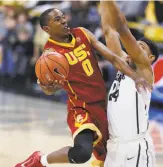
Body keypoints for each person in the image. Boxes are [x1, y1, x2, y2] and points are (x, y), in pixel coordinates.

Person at [15, 8, 151, 167]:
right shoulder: (50, 54)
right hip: (80, 107)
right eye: (57, 20)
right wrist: (53, 87)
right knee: (82, 153)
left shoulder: (82, 33)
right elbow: (47, 89)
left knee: (107, 157)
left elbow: (113, 58)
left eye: (63, 17)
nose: (64, 21)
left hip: (102, 105)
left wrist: (136, 77)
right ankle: (40, 160)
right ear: (47, 29)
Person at [99, 1, 159, 167]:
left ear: (150, 58)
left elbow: (122, 30)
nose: (133, 51)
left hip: (135, 148)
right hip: (114, 147)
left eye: (140, 48)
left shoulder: (145, 72)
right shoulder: (123, 66)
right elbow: (108, 30)